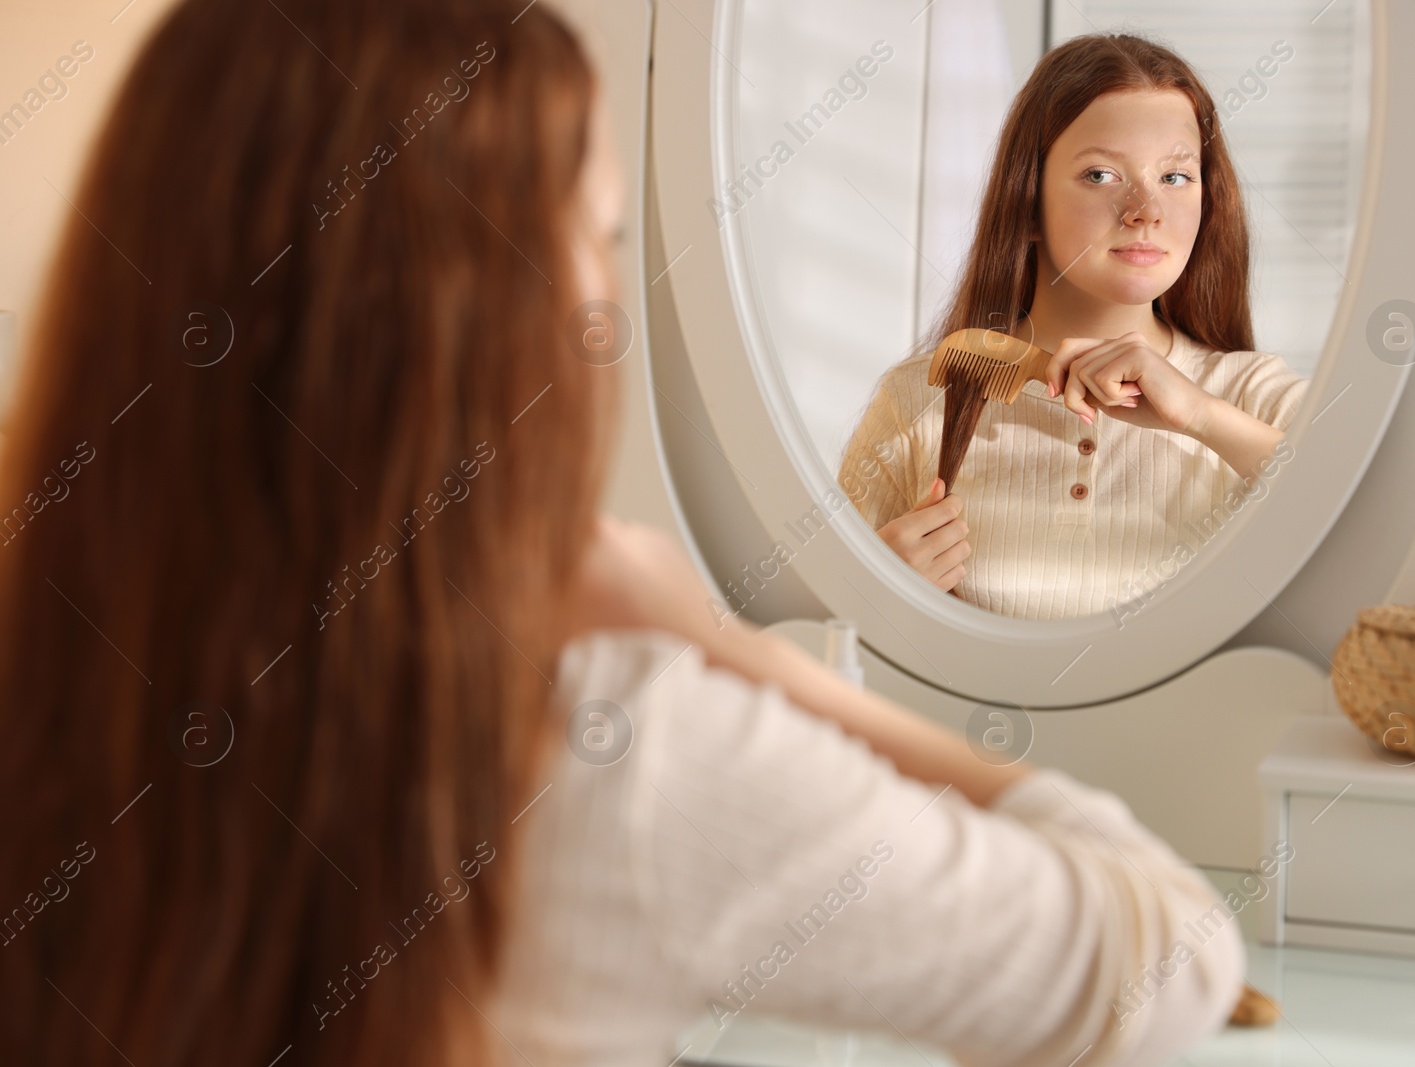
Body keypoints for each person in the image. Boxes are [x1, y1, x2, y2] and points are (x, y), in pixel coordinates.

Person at [0, 4, 1246, 1066]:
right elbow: (1166, 957)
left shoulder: (53, 676)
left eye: (1177, 171)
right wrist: (728, 652)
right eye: (596, 239)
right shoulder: (627, 753)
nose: (1145, 204)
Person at [840, 33, 1308, 622]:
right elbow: (822, 658)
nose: (1145, 209)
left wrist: (1201, 416)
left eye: (1174, 177)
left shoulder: (1256, 397)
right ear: (1027, 203)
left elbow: (1364, 522)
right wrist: (871, 596)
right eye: (1100, 175)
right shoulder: (918, 400)